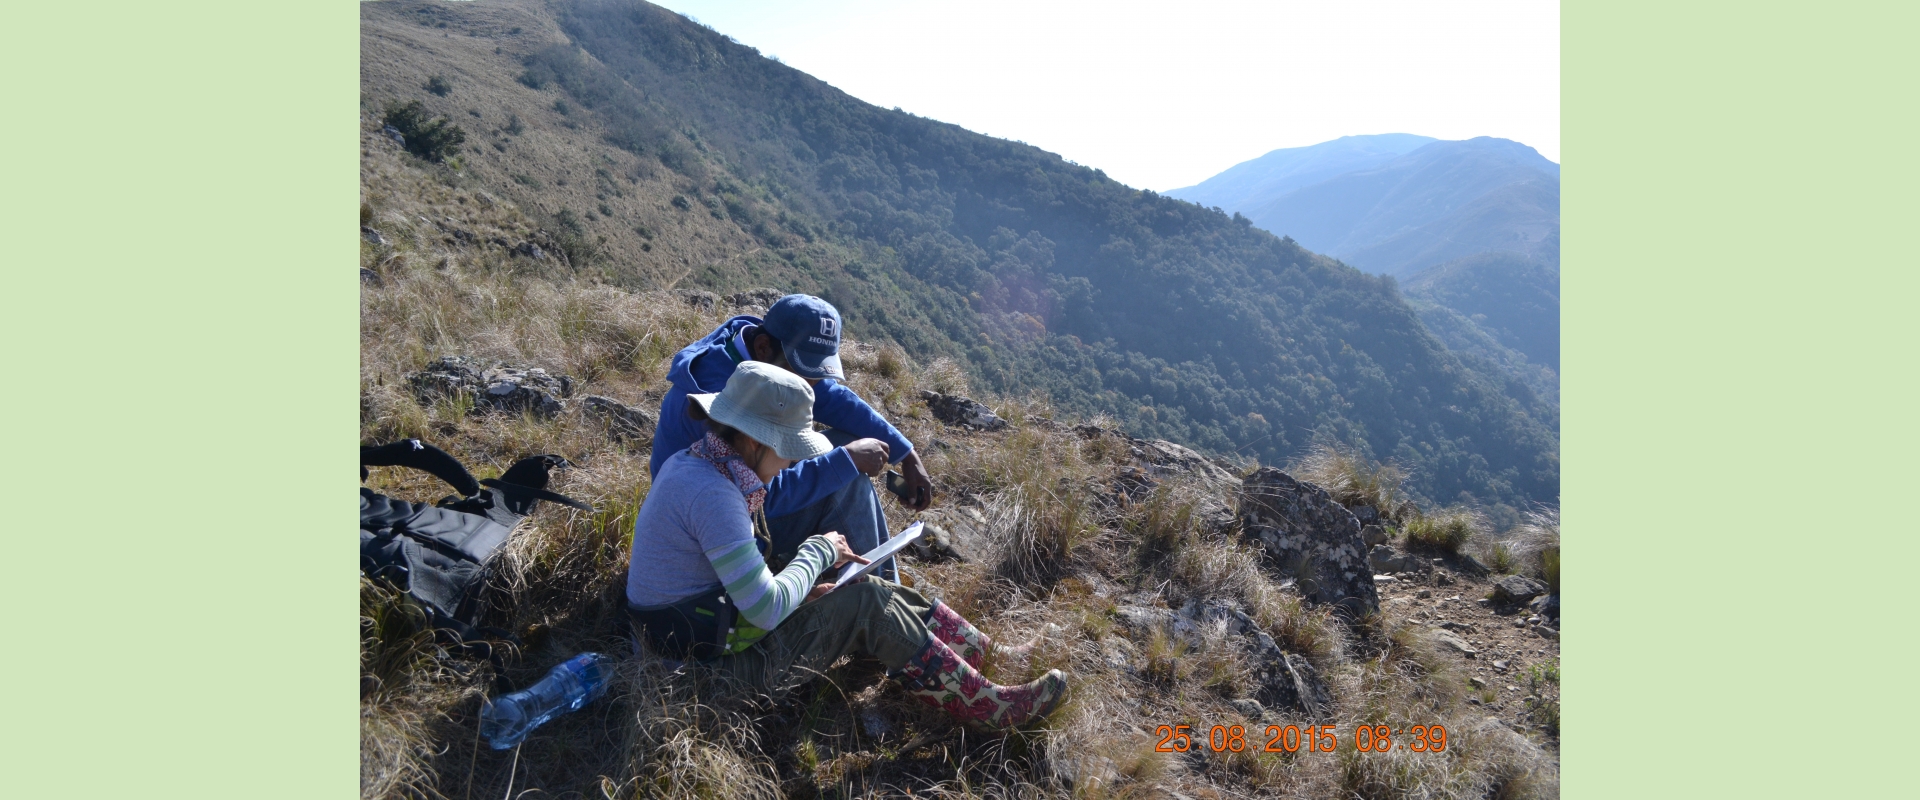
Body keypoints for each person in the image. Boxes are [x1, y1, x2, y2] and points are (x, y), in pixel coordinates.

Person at [625, 362, 1067, 730]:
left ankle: (989, 656)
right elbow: (763, 609)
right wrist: (817, 553)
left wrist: (804, 592)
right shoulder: (715, 496)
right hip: (702, 680)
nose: (792, 463)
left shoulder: (699, 464)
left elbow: (735, 590)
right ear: (757, 442)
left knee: (867, 588)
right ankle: (988, 706)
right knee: (866, 602)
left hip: (701, 640)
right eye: (789, 452)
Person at [651, 294, 932, 583]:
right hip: (713, 535)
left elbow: (832, 399)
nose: (811, 388)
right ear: (763, 347)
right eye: (805, 377)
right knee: (848, 480)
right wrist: (845, 462)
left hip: (739, 494)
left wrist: (905, 453)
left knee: (850, 444)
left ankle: (860, 587)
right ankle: (885, 600)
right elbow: (752, 500)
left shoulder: (764, 358)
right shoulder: (718, 404)